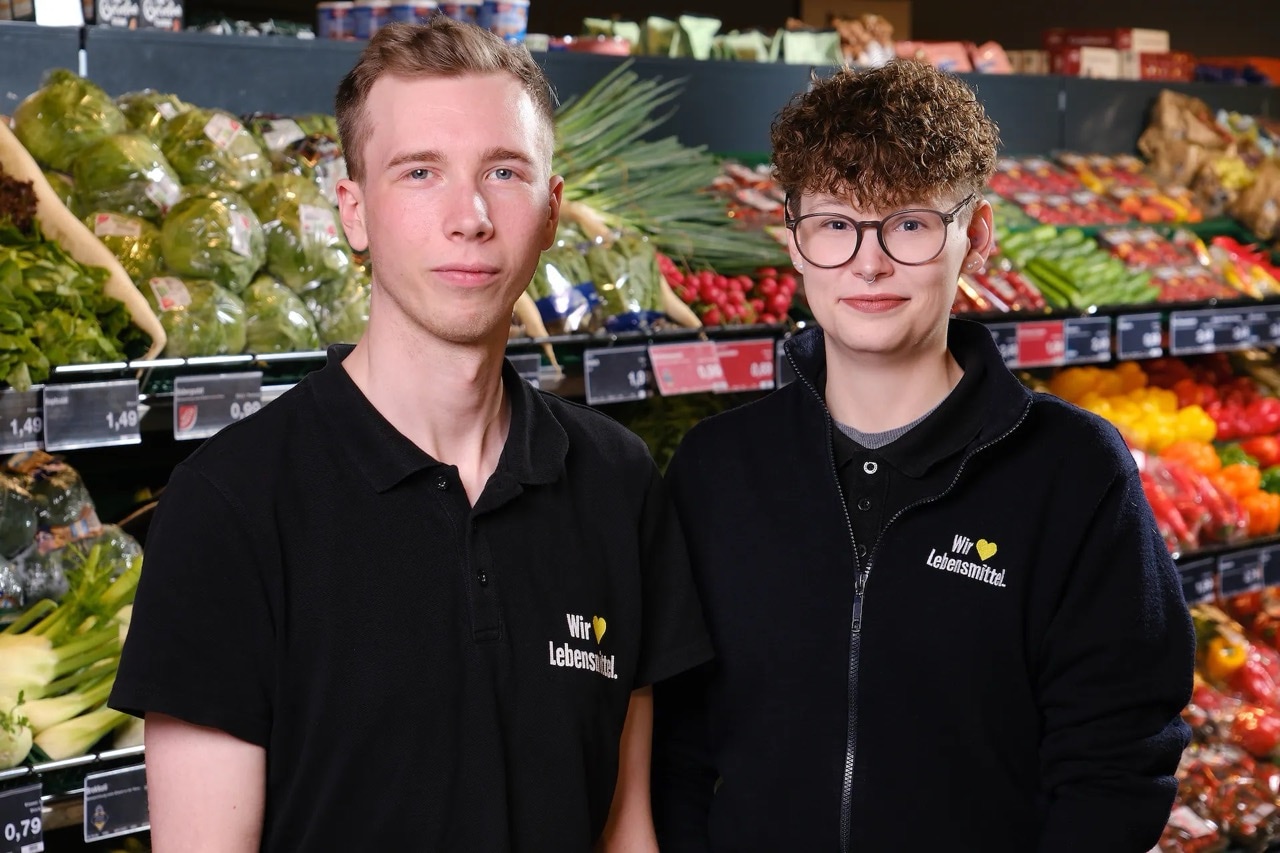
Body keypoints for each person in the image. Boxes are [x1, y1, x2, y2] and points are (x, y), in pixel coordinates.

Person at [109, 18, 712, 852]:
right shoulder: (231, 504)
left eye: (504, 172)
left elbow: (625, 826)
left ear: (550, 212)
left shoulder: (617, 481)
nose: (469, 216)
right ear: (354, 213)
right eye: (420, 172)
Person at [650, 60, 1195, 852]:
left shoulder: (1072, 471)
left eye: (908, 224)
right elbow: (678, 743)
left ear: (976, 236)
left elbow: (1116, 760)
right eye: (834, 224)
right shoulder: (716, 469)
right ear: (793, 241)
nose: (868, 262)